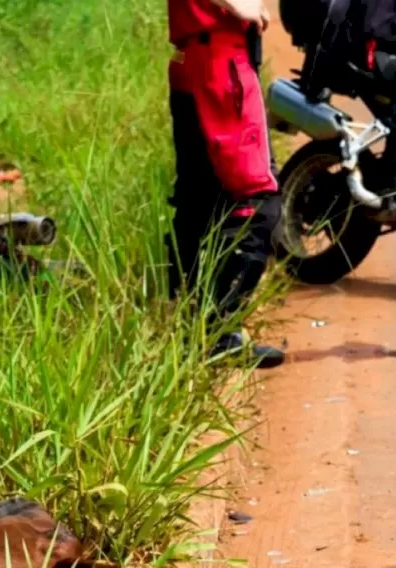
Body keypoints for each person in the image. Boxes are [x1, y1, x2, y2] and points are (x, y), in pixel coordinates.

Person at [165, 0, 286, 369]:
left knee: (202, 196)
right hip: (221, 61)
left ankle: (191, 323)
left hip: (201, 59)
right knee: (256, 200)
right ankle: (219, 334)